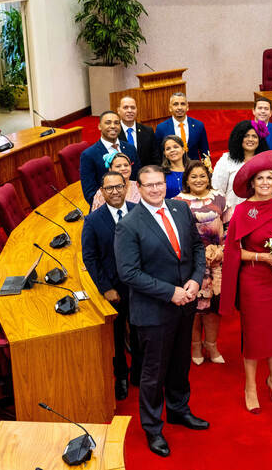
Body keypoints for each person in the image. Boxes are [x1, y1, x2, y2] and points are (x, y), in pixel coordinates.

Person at [114, 165, 208, 458]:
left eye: (159, 184)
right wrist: (171, 293)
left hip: (186, 304)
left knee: (180, 364)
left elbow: (197, 247)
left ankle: (179, 410)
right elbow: (128, 273)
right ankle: (153, 429)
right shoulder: (129, 224)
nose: (156, 189)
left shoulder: (180, 210)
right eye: (149, 185)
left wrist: (194, 278)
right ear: (138, 189)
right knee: (153, 374)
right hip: (154, 312)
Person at [222, 151, 272, 414]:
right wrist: (263, 257)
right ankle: (250, 386)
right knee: (253, 335)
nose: (265, 183)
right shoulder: (241, 211)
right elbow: (232, 251)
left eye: (270, 178)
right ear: (252, 182)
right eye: (260, 178)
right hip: (253, 279)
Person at [82, 171, 140, 401]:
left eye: (118, 187)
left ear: (126, 187)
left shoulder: (139, 211)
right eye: (109, 188)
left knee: (139, 331)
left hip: (139, 287)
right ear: (102, 192)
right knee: (116, 337)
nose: (115, 192)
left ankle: (138, 371)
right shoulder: (93, 220)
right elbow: (90, 257)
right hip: (113, 289)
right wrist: (105, 287)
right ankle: (122, 376)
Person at [174, 161, 230, 367]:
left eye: (202, 176)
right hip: (191, 264)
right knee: (194, 308)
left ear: (209, 177)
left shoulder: (219, 198)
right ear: (187, 179)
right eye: (194, 176)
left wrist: (222, 251)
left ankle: (212, 344)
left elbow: (230, 226)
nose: (199, 180)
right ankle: (196, 345)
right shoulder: (177, 202)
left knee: (214, 308)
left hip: (217, 263)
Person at [211, 120, 269, 219]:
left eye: (254, 136)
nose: (250, 139)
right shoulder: (226, 160)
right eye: (246, 136)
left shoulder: (265, 161)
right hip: (232, 217)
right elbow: (217, 191)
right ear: (238, 138)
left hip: (261, 216)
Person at [80, 110, 140, 204]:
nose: (113, 126)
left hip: (135, 203)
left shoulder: (130, 148)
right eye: (108, 123)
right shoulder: (89, 155)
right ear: (99, 126)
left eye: (116, 123)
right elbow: (89, 193)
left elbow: (137, 177)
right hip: (107, 207)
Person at [155, 92, 210, 162]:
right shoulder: (161, 128)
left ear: (187, 107)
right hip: (170, 169)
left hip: (193, 168)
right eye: (175, 104)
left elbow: (205, 152)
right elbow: (158, 154)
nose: (179, 107)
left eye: (183, 104)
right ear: (170, 108)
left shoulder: (198, 125)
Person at [118, 95, 161, 166]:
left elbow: (155, 158)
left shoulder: (148, 131)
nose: (129, 111)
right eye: (125, 107)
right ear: (118, 110)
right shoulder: (115, 132)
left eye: (133, 108)